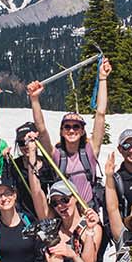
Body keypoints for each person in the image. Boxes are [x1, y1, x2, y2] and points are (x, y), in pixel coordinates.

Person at [25, 57, 109, 207]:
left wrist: (102, 79)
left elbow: (100, 114)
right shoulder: (56, 155)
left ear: (83, 131)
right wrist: (35, 99)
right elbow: (41, 129)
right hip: (64, 213)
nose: (72, 130)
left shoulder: (90, 150)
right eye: (67, 127)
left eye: (76, 127)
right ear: (62, 131)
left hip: (88, 212)